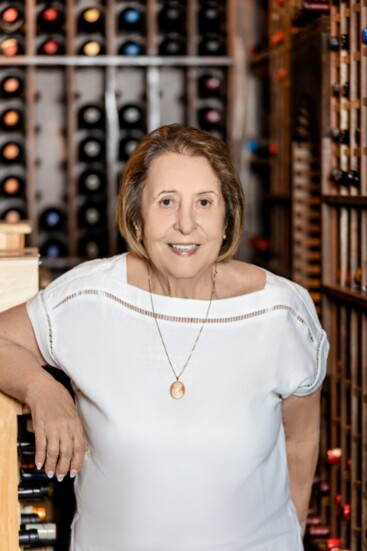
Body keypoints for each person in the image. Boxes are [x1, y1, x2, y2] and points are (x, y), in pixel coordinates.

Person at [0, 124, 329, 551]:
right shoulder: (88, 296)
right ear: (137, 215)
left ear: (227, 216)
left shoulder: (281, 312)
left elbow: (301, 440)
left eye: (204, 203)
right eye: (166, 201)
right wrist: (40, 387)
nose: (185, 224)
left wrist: (289, 535)